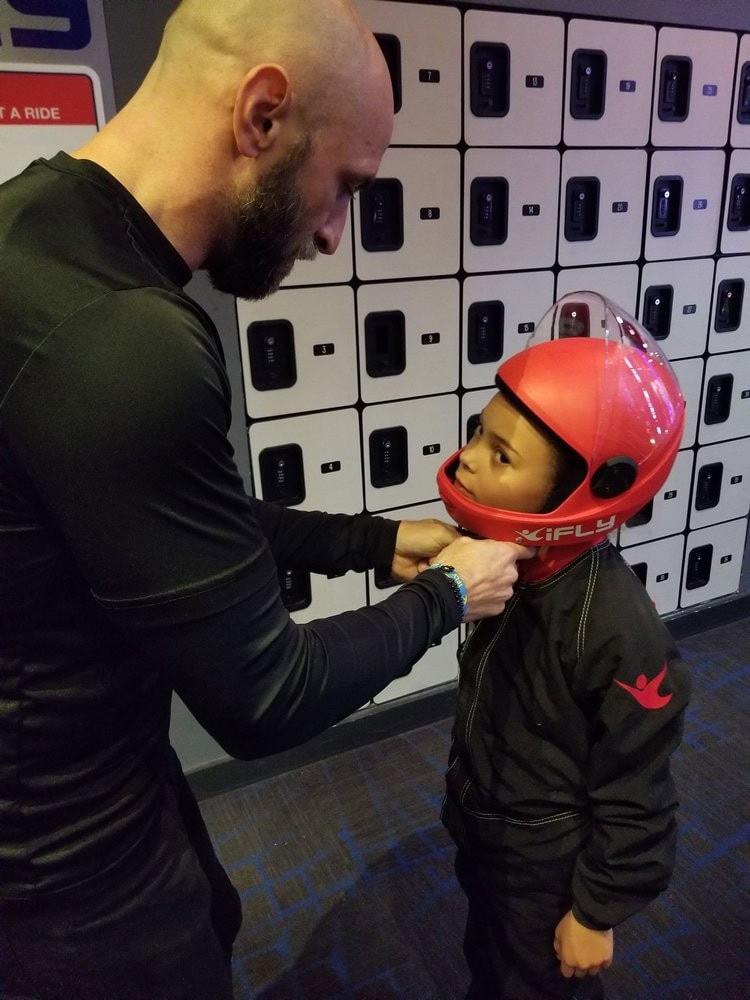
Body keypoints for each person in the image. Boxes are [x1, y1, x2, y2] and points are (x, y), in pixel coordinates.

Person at [0, 2, 531, 997]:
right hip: (64, 878)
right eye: (343, 189)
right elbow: (266, 696)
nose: (334, 233)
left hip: (86, 794)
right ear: (263, 114)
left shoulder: (40, 234)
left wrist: (373, 542)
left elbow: (159, 531)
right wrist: (448, 595)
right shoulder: (121, 338)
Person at [436, 291, 692, 1000]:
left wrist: (597, 909)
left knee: (541, 983)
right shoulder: (507, 561)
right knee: (492, 961)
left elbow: (640, 788)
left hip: (545, 864)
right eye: (478, 434)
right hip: (489, 826)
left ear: (587, 486)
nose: (468, 462)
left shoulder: (617, 630)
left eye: (501, 454)